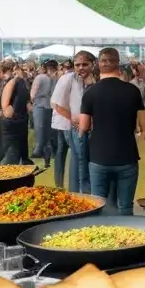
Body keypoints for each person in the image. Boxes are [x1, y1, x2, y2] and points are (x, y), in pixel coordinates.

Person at [79, 48, 145, 215]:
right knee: (125, 206)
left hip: (99, 156)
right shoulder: (132, 91)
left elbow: (84, 126)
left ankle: (100, 238)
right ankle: (129, 239)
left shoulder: (90, 93)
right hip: (127, 154)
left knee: (98, 206)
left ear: (98, 65)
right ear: (118, 64)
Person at [51, 51, 95, 193]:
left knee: (80, 160)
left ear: (92, 65)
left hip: (88, 126)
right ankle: (82, 193)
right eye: (77, 65)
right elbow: (56, 104)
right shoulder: (67, 79)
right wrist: (74, 120)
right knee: (79, 159)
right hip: (71, 125)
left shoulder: (94, 80)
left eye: (84, 64)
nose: (81, 67)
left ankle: (78, 192)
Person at [0, 61, 31, 164]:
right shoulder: (17, 82)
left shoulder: (13, 82)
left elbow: (6, 109)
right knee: (12, 156)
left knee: (11, 157)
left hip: (14, 124)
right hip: (17, 122)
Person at [30, 60, 57, 168]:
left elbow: (33, 93)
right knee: (48, 135)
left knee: (39, 132)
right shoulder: (56, 79)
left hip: (39, 107)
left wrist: (32, 102)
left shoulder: (40, 77)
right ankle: (47, 160)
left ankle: (37, 154)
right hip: (50, 108)